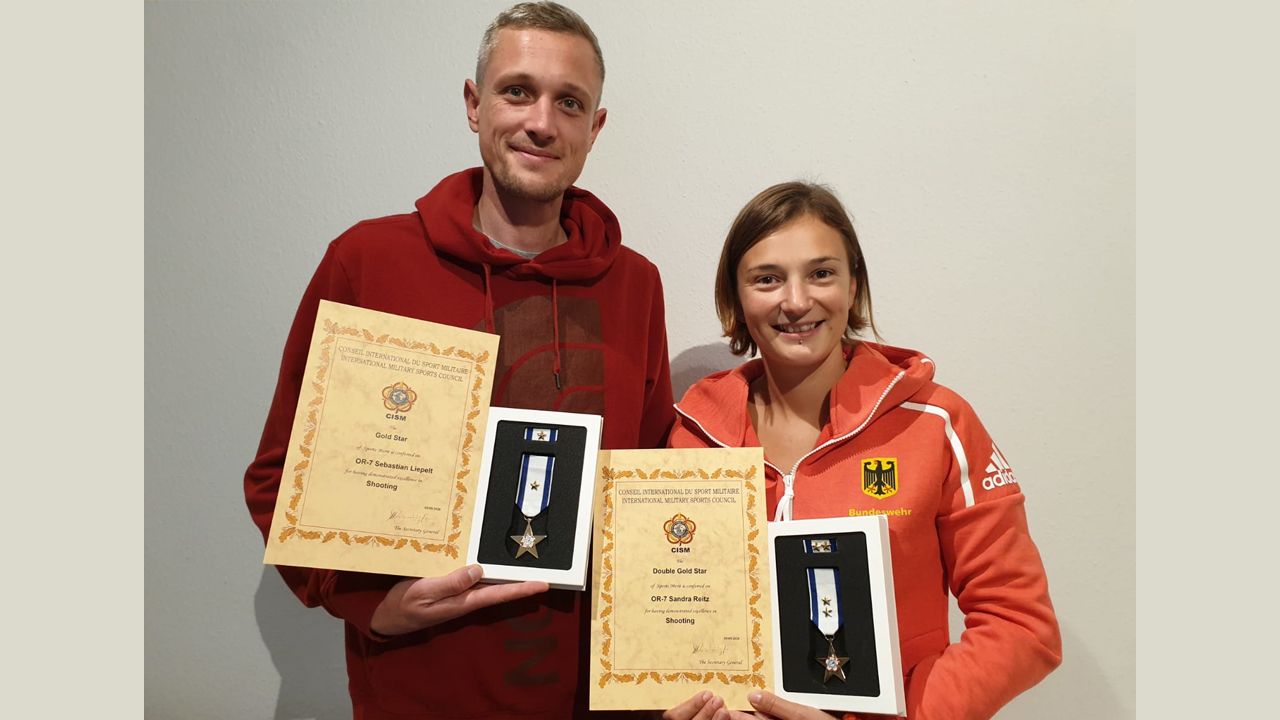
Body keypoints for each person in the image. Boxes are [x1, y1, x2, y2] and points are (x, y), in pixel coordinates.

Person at [243, 3, 674, 719]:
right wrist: (367, 605)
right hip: (419, 687)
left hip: (595, 700)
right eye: (517, 91)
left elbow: (650, 485)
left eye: (570, 102)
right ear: (474, 105)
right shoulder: (369, 262)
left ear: (594, 128)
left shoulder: (636, 284)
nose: (542, 121)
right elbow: (278, 472)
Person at [663, 183, 1061, 720]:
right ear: (734, 298)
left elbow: (1021, 625)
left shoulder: (938, 423)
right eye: (767, 279)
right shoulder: (691, 432)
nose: (797, 300)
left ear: (854, 287)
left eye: (821, 273)